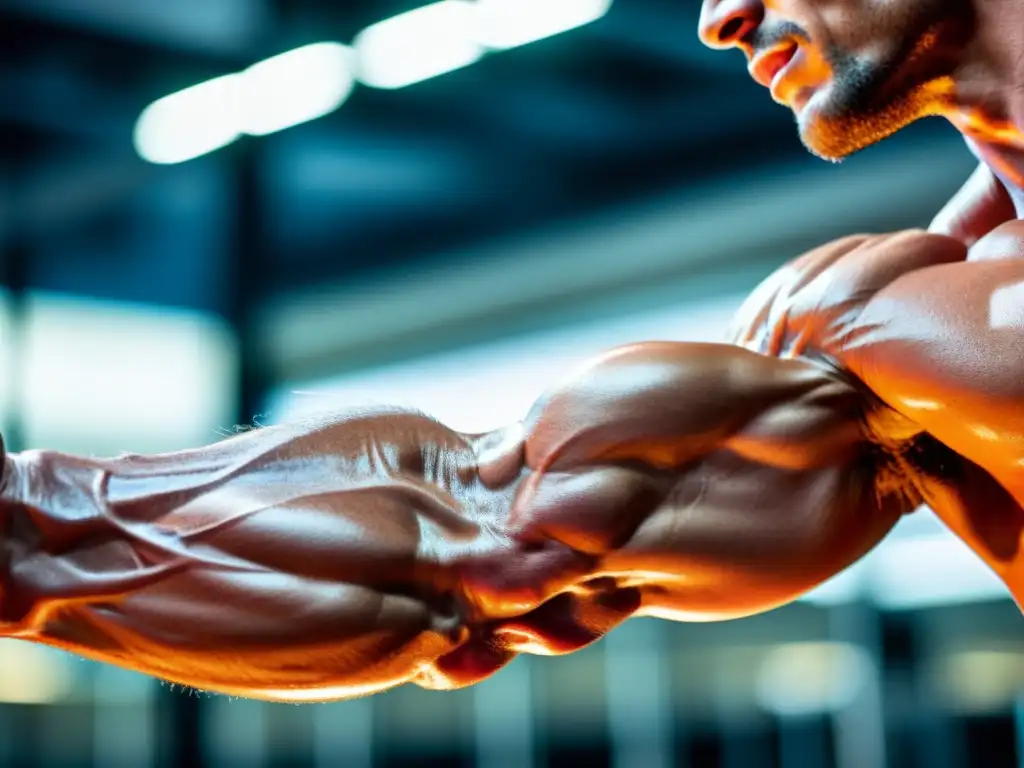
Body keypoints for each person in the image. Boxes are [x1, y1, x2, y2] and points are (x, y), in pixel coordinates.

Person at [0, 0, 1020, 703]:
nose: (719, 18)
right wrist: (27, 536)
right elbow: (492, 542)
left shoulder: (899, 324)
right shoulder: (881, 321)